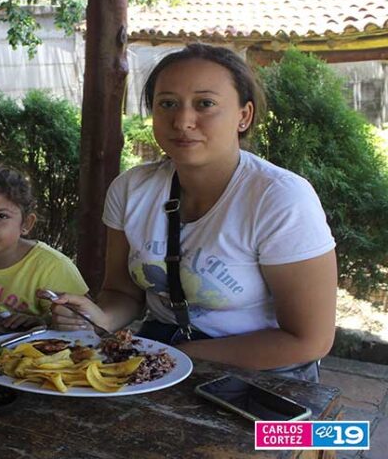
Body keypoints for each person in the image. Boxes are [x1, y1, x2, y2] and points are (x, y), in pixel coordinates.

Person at [50, 44, 337, 381]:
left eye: (205, 104)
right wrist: (99, 317)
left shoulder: (280, 198)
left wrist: (177, 357)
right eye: (167, 104)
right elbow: (122, 292)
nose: (183, 121)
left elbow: (309, 340)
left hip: (256, 367)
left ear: (244, 116)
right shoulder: (131, 189)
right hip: (160, 350)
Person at [0, 163, 89, 329]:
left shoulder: (51, 267)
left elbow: (85, 322)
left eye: (1, 216)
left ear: (26, 224)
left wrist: (46, 322)